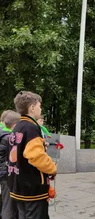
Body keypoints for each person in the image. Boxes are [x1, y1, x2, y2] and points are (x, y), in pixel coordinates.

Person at [8, 91, 57, 219]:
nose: (41, 109)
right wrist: (52, 168)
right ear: (32, 107)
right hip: (32, 188)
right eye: (39, 106)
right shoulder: (31, 128)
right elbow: (36, 157)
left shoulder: (17, 127)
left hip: (17, 185)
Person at [0, 111, 20, 219]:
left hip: (2, 172)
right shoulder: (8, 138)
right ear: (15, 126)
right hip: (6, 174)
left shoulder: (2, 133)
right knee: (9, 206)